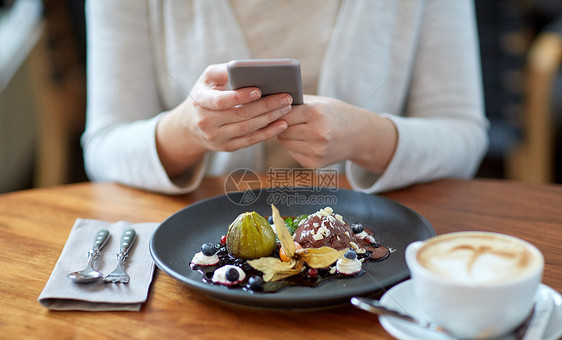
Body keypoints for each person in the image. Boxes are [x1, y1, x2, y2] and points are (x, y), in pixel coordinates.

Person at [82, 0, 488, 194]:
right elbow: (104, 148)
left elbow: (464, 138)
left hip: (373, 255)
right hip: (197, 259)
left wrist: (367, 136)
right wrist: (188, 131)